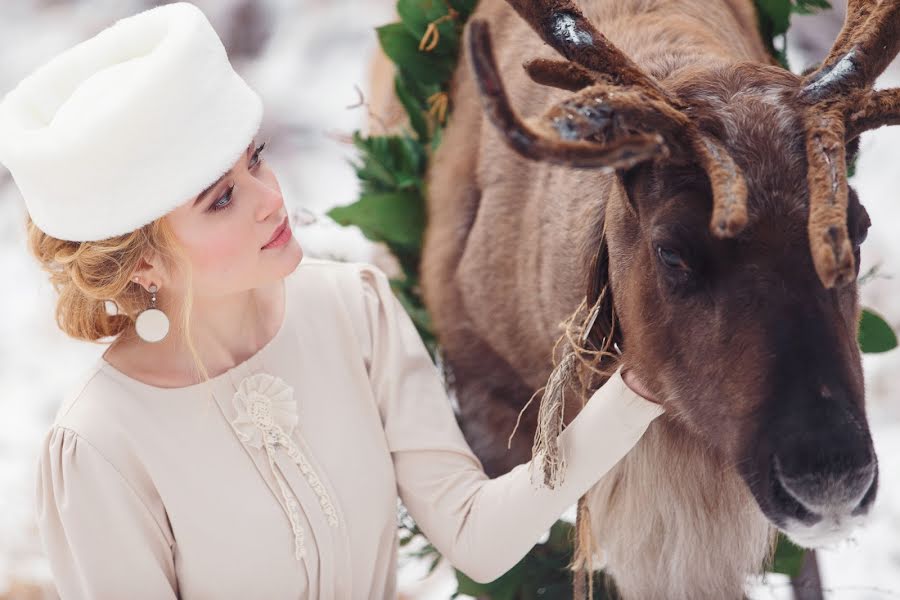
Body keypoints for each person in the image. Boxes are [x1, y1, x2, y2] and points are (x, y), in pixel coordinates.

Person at [0, 3, 665, 598]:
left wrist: (638, 387)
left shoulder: (355, 311)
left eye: (254, 160)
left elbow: (476, 537)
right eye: (222, 199)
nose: (270, 199)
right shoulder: (99, 447)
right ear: (143, 262)